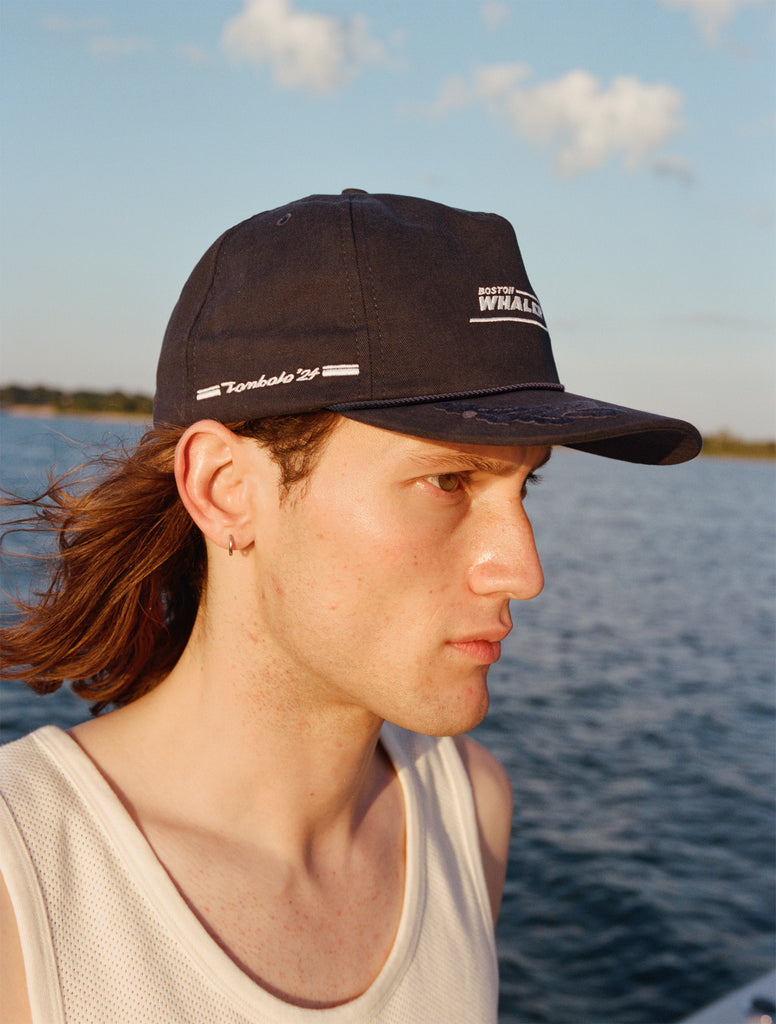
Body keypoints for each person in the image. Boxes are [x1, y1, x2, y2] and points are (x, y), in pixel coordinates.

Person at [0, 189, 701, 1022]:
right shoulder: (24, 874)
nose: (522, 570)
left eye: (526, 484)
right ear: (225, 490)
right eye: (448, 481)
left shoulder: (468, 809)